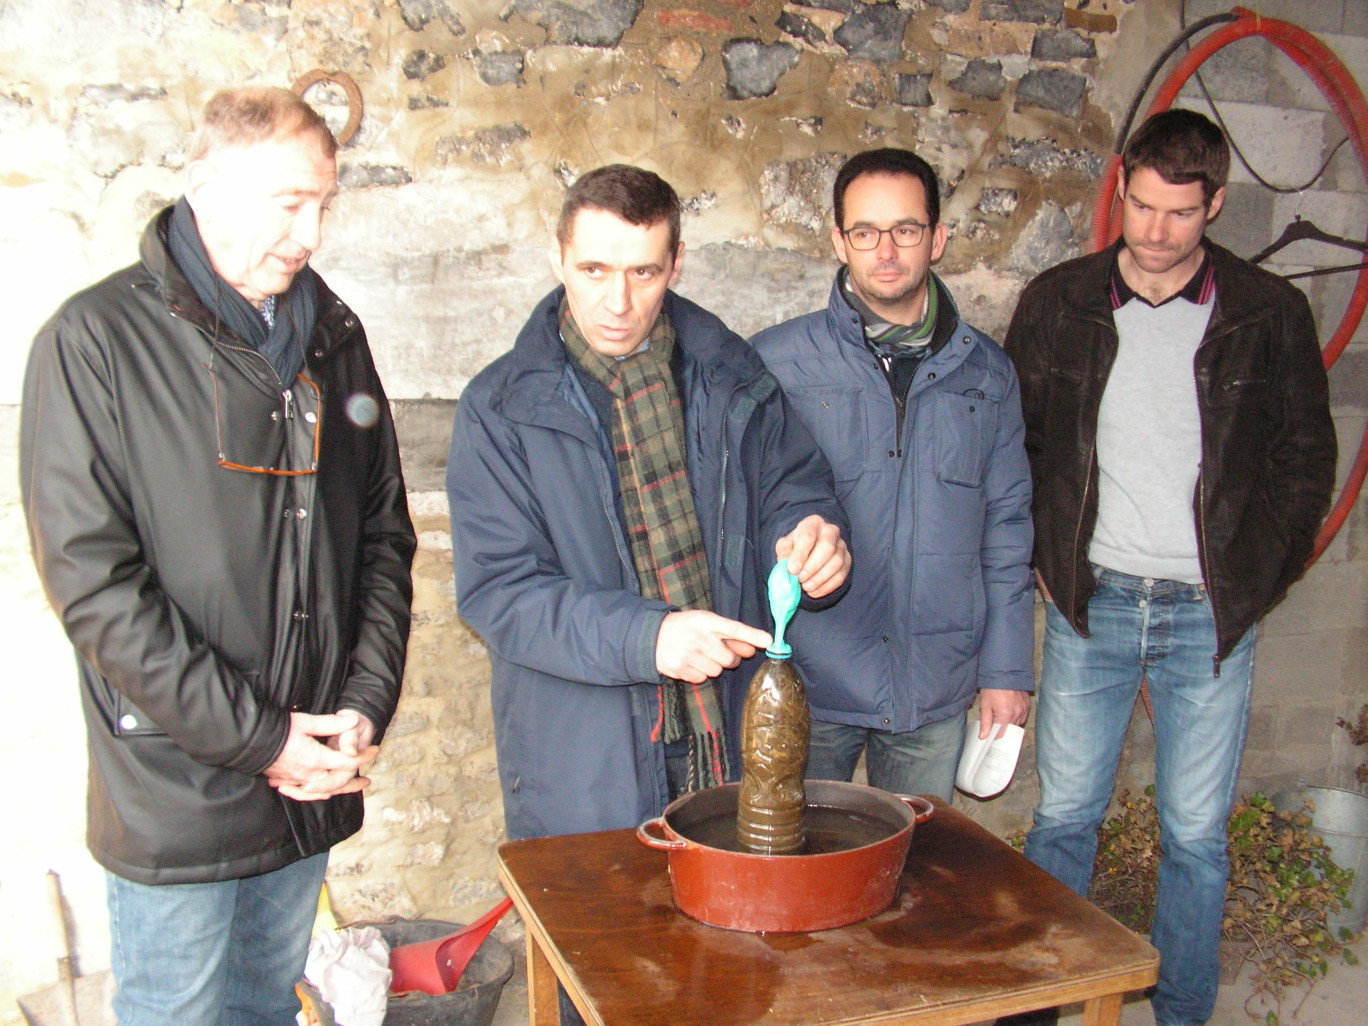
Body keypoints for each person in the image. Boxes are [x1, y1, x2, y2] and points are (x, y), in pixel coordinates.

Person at [20, 87, 416, 1026]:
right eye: (290, 204)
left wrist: (359, 710)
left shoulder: (334, 339)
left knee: (264, 1007)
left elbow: (383, 539)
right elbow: (95, 588)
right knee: (175, 1012)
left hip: (309, 775)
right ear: (205, 184)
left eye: (325, 204)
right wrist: (265, 739)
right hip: (178, 786)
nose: (312, 233)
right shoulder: (94, 343)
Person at [1003, 108, 1336, 1026]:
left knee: (1195, 836)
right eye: (1140, 206)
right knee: (1065, 818)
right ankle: (1037, 1003)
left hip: (1208, 613)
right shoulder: (1060, 302)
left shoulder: (1268, 315)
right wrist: (1044, 556)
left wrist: (1254, 581)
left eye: (1178, 214)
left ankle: (1182, 1012)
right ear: (1121, 187)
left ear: (1216, 205)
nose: (1152, 232)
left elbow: (1304, 462)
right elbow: (1015, 443)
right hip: (1094, 602)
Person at [447, 164, 852, 843]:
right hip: (586, 756)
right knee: (603, 947)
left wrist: (811, 536)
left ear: (677, 264)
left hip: (727, 732)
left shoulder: (732, 373)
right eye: (595, 270)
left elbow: (793, 483)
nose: (618, 302)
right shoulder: (499, 410)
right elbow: (500, 594)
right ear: (558, 259)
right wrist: (650, 638)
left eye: (644, 273)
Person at [750, 148, 1034, 801]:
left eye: (906, 230)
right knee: (795, 879)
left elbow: (1008, 531)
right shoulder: (777, 363)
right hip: (808, 680)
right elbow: (743, 516)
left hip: (932, 688)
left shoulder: (987, 375)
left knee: (914, 882)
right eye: (865, 232)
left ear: (937, 238)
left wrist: (1007, 668)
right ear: (837, 241)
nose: (886, 250)